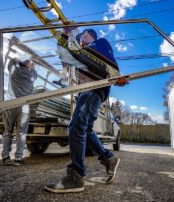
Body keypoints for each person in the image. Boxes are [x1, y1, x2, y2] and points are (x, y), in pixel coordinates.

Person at [45, 29, 129, 193]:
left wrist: (117, 75)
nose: (80, 40)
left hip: (95, 88)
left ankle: (76, 176)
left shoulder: (98, 44)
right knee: (86, 129)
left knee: (76, 127)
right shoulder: (80, 54)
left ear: (89, 35)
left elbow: (109, 59)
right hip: (86, 91)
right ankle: (108, 159)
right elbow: (63, 53)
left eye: (82, 37)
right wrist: (64, 35)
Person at [1, 56, 37, 166]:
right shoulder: (32, 75)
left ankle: (5, 156)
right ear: (28, 65)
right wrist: (32, 65)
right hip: (24, 107)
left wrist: (17, 59)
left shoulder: (14, 71)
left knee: (8, 131)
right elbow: (34, 71)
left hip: (11, 104)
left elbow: (11, 62)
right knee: (21, 133)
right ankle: (18, 158)